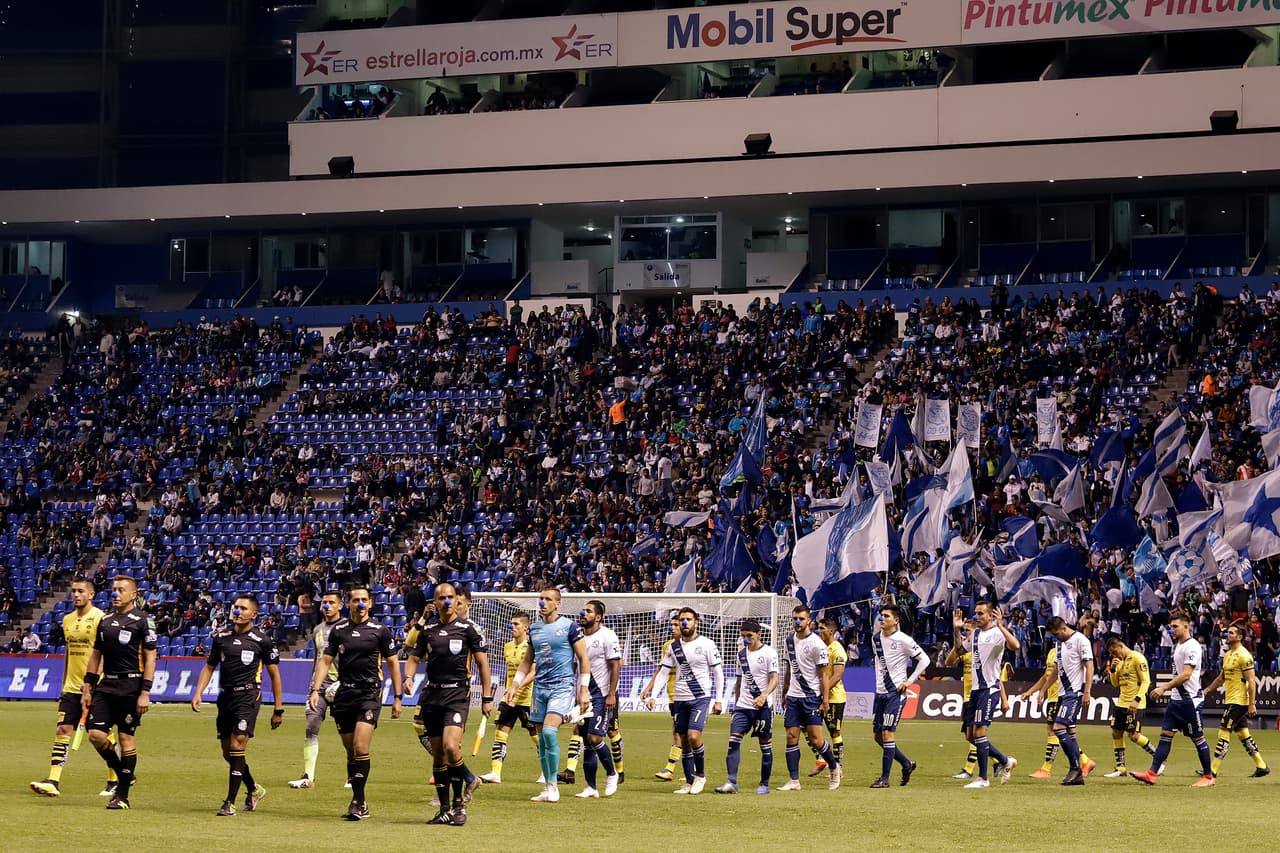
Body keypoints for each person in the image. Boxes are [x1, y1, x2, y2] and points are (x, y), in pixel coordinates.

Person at [307, 585, 403, 820]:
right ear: (348, 604)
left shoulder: (380, 630)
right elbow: (325, 660)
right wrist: (315, 690)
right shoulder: (338, 631)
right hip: (344, 694)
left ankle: (359, 802)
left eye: (363, 600)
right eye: (355, 600)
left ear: (370, 603)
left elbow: (392, 664)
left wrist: (398, 697)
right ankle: (358, 798)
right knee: (351, 751)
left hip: (369, 694)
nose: (359, 604)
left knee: (361, 747)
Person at [402, 582, 491, 826]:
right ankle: (444, 809)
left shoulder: (468, 629)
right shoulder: (428, 630)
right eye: (442, 598)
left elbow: (483, 664)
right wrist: (409, 677)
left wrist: (487, 697)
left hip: (457, 695)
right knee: (439, 756)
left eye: (450, 597)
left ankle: (459, 805)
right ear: (435, 601)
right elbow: (413, 657)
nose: (447, 601)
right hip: (432, 696)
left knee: (452, 748)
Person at [191, 595, 284, 815]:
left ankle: (229, 803)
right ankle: (253, 788)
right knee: (228, 753)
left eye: (243, 608)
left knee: (237, 747)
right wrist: (198, 692)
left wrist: (278, 709)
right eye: (235, 607)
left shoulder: (262, 640)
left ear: (254, 614)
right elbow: (209, 667)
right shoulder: (221, 637)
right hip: (225, 698)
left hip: (248, 696)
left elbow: (275, 675)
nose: (238, 611)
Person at [29, 577, 117, 798]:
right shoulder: (67, 620)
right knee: (62, 730)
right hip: (71, 687)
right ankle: (53, 780)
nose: (76, 595)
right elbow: (69, 652)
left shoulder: (100, 619)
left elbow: (105, 654)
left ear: (91, 595)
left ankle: (115, 778)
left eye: (80, 591)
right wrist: (64, 683)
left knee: (102, 734)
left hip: (96, 686)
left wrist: (97, 683)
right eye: (73, 591)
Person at [505, 586, 591, 803]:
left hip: (562, 686)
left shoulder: (570, 627)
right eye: (540, 598)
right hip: (540, 689)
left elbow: (583, 659)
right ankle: (549, 785)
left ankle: (554, 787)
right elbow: (527, 661)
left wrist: (583, 690)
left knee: (551, 733)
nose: (542, 602)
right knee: (542, 739)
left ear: (557, 603)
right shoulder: (534, 629)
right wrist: (515, 686)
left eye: (547, 599)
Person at [80, 575, 156, 810]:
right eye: (114, 589)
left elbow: (151, 657)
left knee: (125, 738)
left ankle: (121, 795)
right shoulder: (105, 621)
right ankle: (124, 775)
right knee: (96, 735)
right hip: (107, 685)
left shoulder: (143, 621)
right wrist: (88, 685)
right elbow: (96, 654)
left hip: (131, 687)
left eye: (121, 590)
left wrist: (145, 691)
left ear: (133, 595)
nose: (116, 594)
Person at [641, 606, 725, 794]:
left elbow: (718, 673)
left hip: (699, 698)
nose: (684, 622)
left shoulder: (707, 644)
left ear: (696, 622)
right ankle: (688, 782)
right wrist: (654, 695)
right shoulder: (673, 647)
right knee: (684, 741)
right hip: (679, 698)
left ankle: (700, 776)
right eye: (682, 620)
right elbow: (663, 672)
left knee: (694, 736)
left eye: (688, 619)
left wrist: (719, 700)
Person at [1130, 611, 1216, 787]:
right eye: (1171, 627)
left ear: (1187, 626)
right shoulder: (1179, 645)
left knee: (1198, 738)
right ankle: (1152, 773)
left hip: (1189, 700)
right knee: (1165, 735)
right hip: (1177, 700)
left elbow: (1186, 675)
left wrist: (1164, 687)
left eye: (1175, 627)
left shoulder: (1192, 646)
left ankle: (1208, 777)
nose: (1172, 630)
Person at [954, 602, 1018, 788]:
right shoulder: (974, 635)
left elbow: (1015, 646)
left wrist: (1001, 626)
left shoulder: (997, 633)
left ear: (990, 615)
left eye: (981, 614)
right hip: (975, 690)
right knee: (970, 736)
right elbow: (959, 651)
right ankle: (1005, 760)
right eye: (976, 613)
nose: (977, 617)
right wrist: (957, 630)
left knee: (980, 731)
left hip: (989, 689)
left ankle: (983, 778)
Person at [777, 604, 840, 791]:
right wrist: (784, 691)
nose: (797, 622)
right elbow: (789, 668)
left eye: (801, 619)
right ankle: (794, 780)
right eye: (795, 618)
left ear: (809, 621)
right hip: (794, 698)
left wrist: (825, 700)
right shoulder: (789, 641)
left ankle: (835, 768)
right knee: (791, 736)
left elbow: (824, 675)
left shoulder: (817, 645)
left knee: (816, 739)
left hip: (811, 697)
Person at [289, 589, 347, 789]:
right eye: (324, 602)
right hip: (319, 686)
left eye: (332, 602)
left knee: (347, 732)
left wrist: (346, 681)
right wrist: (313, 685)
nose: (327, 606)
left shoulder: (349, 628)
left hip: (343, 685)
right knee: (311, 725)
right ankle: (308, 776)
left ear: (341, 605)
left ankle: (353, 774)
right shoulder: (317, 629)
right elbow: (318, 658)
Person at [715, 618, 778, 795]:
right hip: (743, 707)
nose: (745, 639)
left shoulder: (769, 653)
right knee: (733, 741)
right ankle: (731, 782)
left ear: (759, 634)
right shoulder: (740, 655)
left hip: (763, 708)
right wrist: (736, 703)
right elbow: (739, 680)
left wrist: (764, 696)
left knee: (765, 745)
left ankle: (764, 784)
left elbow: (774, 678)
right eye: (743, 636)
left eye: (749, 636)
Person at [868, 604, 929, 788]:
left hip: (896, 693)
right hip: (880, 693)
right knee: (878, 736)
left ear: (896, 620)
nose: (882, 619)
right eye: (881, 616)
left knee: (887, 733)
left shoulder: (904, 640)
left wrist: (910, 680)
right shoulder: (876, 638)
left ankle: (885, 779)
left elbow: (924, 659)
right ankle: (906, 763)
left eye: (886, 616)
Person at [1018, 640, 1096, 780]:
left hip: (1061, 697)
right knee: (1067, 734)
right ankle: (1085, 761)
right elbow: (1046, 676)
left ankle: (1046, 769)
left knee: (1053, 731)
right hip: (1054, 697)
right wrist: (1034, 691)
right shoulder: (1053, 652)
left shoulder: (1067, 651)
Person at [568, 599, 621, 799]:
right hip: (582, 696)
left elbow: (615, 666)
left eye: (588, 611)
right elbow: (575, 667)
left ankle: (612, 773)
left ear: (598, 617)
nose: (583, 613)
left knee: (595, 737)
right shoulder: (578, 637)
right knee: (586, 741)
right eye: (583, 610)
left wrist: (611, 694)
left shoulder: (607, 636)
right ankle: (591, 787)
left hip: (601, 695)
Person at [1203, 623, 1269, 778]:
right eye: (1227, 633)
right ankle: (1261, 766)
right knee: (1243, 733)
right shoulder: (1228, 655)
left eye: (1231, 633)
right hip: (1231, 699)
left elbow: (1251, 681)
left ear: (1239, 637)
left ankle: (1212, 770)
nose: (1227, 635)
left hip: (1239, 701)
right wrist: (1206, 690)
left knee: (1223, 731)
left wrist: (1252, 703)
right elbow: (1221, 679)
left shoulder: (1244, 656)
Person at [479, 612, 539, 784]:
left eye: (516, 624)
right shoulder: (507, 647)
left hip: (527, 699)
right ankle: (495, 773)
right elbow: (508, 673)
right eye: (511, 624)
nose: (512, 627)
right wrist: (507, 690)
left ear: (526, 627)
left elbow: (533, 672)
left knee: (536, 735)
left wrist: (516, 687)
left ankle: (546, 771)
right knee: (500, 733)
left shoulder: (531, 646)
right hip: (509, 698)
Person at [1043, 617, 1093, 786]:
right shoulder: (1059, 644)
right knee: (1070, 731)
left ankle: (1075, 767)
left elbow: (1089, 666)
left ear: (1064, 628)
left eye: (1057, 634)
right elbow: (1057, 670)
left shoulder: (1081, 640)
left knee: (1058, 727)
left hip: (1075, 692)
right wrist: (1043, 689)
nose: (1056, 637)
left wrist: (1087, 691)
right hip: (1063, 694)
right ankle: (1077, 773)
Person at [1103, 636, 1159, 778]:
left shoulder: (1137, 658)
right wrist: (1113, 670)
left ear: (1120, 646)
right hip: (1121, 703)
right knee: (1116, 733)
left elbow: (1146, 682)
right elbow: (1115, 684)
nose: (1114, 656)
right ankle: (1120, 768)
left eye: (1114, 652)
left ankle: (1159, 758)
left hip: (1135, 704)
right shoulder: (1120, 663)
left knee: (1134, 736)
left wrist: (1137, 699)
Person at [640, 613, 684, 781]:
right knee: (679, 733)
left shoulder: (696, 646)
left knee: (684, 733)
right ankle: (690, 768)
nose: (671, 628)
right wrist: (650, 689)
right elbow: (662, 670)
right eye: (671, 625)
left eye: (675, 625)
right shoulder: (668, 646)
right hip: (673, 695)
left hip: (690, 696)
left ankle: (671, 768)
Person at [808, 616, 847, 777]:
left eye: (822, 628)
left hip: (834, 697)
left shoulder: (837, 649)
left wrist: (823, 693)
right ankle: (821, 759)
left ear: (831, 631)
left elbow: (837, 675)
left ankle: (838, 768)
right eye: (818, 628)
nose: (819, 631)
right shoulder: (821, 647)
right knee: (807, 728)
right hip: (819, 696)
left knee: (834, 732)